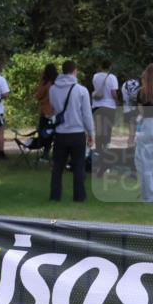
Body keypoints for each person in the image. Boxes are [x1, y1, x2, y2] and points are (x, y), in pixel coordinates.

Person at [49, 60, 94, 202]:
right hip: (77, 132)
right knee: (79, 166)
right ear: (75, 70)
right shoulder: (81, 90)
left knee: (58, 167)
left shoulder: (53, 89)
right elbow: (87, 114)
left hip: (60, 133)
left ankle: (55, 196)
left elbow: (54, 109)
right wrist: (91, 133)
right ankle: (79, 196)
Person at [134, 63, 153, 203]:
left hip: (147, 126)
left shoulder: (141, 92)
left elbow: (141, 113)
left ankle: (149, 197)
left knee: (146, 165)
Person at [91, 60, 120, 159]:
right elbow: (113, 93)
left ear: (101, 66)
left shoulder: (95, 76)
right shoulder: (112, 77)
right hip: (109, 106)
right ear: (110, 67)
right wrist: (117, 101)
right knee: (107, 128)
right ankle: (106, 148)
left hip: (97, 105)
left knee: (98, 129)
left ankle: (98, 150)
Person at [31, 63, 58, 159]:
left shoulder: (45, 82)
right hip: (57, 112)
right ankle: (55, 153)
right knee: (55, 133)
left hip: (46, 111)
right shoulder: (58, 83)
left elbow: (38, 95)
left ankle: (45, 153)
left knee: (44, 133)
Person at [121, 74, 141, 147]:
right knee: (137, 133)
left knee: (131, 134)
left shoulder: (124, 85)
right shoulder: (137, 84)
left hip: (126, 110)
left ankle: (129, 149)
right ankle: (133, 151)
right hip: (135, 110)